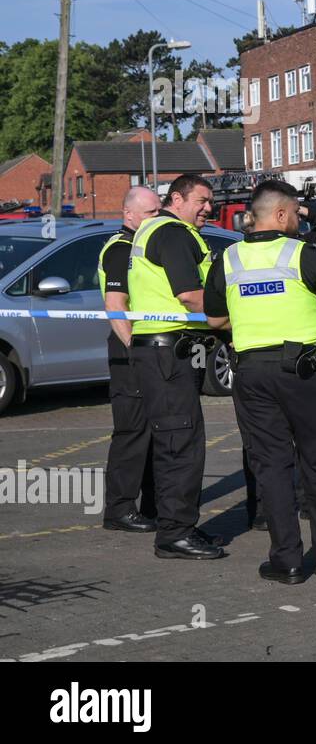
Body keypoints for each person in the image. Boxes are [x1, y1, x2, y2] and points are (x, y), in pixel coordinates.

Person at [204, 180, 316, 584]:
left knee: (271, 466)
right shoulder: (304, 255)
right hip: (305, 374)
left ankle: (286, 561)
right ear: (280, 215)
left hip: (251, 375)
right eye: (295, 212)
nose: (299, 219)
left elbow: (214, 320)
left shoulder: (227, 259)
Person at [126, 174, 224, 560]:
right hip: (168, 352)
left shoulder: (155, 231)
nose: (208, 208)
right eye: (202, 200)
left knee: (174, 439)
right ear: (177, 199)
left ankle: (178, 524)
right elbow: (191, 296)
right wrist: (238, 318)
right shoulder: (173, 233)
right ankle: (175, 534)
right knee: (181, 444)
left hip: (161, 351)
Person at [98, 186, 162, 533]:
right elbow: (116, 305)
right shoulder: (122, 250)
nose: (157, 218)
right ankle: (120, 509)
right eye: (151, 213)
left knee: (153, 431)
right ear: (129, 215)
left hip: (147, 347)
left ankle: (151, 506)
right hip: (131, 350)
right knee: (132, 432)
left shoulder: (141, 248)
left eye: (159, 211)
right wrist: (134, 350)